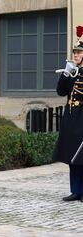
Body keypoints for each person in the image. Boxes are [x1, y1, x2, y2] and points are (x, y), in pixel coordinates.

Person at [53, 25, 83, 202]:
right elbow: (60, 92)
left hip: (82, 117)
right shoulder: (71, 72)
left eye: (79, 53)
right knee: (73, 156)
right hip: (71, 117)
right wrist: (66, 74)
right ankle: (76, 190)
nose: (76, 56)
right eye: (75, 53)